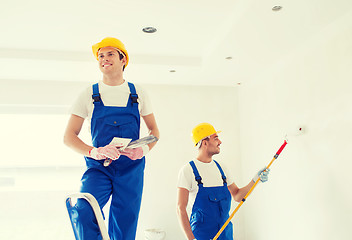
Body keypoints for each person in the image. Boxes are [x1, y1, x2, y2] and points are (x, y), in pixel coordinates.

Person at [64, 37, 159, 240]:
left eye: (110, 54)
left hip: (131, 169)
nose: (104, 59)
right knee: (82, 210)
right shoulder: (89, 94)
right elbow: (68, 137)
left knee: (125, 224)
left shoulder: (138, 93)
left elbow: (154, 132)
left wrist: (143, 150)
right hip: (99, 167)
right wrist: (94, 151)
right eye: (100, 55)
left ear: (123, 59)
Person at [177, 123, 269, 240]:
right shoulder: (188, 170)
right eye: (215, 138)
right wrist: (191, 239)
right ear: (204, 142)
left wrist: (256, 180)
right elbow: (180, 208)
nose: (220, 142)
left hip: (226, 234)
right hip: (201, 236)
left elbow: (237, 196)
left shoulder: (221, 169)